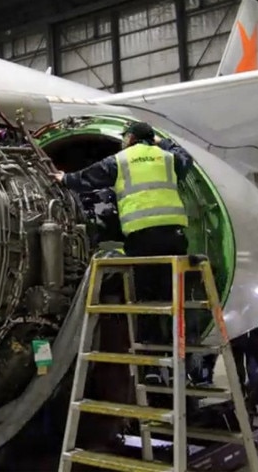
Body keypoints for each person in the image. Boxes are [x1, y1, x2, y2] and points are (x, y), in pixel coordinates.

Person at [52, 121, 194, 348]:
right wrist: (163, 142)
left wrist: (65, 179)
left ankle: (151, 353)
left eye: (125, 137)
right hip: (173, 236)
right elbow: (187, 159)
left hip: (142, 237)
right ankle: (181, 344)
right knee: (173, 293)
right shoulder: (168, 158)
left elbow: (89, 177)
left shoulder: (121, 160)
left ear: (131, 138)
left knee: (146, 297)